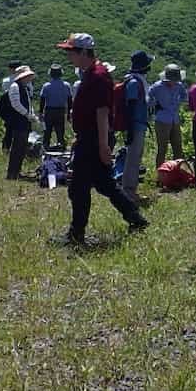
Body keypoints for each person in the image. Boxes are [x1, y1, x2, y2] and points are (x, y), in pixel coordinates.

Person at [56, 32, 147, 244]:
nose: (69, 56)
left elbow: (102, 111)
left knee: (78, 188)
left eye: (72, 52)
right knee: (105, 184)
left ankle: (76, 234)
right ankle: (135, 218)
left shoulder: (97, 76)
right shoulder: (91, 73)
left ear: (85, 52)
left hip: (93, 138)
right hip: (91, 137)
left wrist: (103, 145)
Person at [120, 50, 154, 197]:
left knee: (135, 157)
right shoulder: (134, 82)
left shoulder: (136, 81)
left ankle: (131, 189)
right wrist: (130, 129)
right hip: (135, 124)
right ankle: (128, 191)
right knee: (133, 158)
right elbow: (131, 105)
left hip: (138, 124)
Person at [147, 64, 188, 168]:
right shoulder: (157, 86)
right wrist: (155, 104)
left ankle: (177, 172)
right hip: (162, 120)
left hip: (175, 119)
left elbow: (184, 96)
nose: (173, 82)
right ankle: (161, 173)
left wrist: (178, 103)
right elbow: (148, 99)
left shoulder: (179, 85)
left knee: (178, 147)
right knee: (162, 149)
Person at [5, 65, 40, 180]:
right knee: (17, 148)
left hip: (24, 121)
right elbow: (15, 104)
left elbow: (28, 104)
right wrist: (27, 114)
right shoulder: (15, 87)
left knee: (21, 147)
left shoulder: (24, 87)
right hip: (18, 121)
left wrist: (32, 115)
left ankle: (17, 171)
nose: (29, 78)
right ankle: (12, 173)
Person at [38, 64, 73, 151]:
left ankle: (45, 148)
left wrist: (40, 112)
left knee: (47, 131)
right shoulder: (66, 85)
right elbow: (69, 101)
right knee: (60, 130)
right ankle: (61, 147)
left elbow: (42, 100)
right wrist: (69, 113)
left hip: (49, 110)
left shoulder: (46, 86)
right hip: (61, 111)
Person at [0, 60, 21, 154]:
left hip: (8, 108)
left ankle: (6, 148)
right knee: (21, 129)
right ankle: (20, 148)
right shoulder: (25, 81)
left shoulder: (6, 81)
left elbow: (5, 93)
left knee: (8, 130)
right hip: (20, 106)